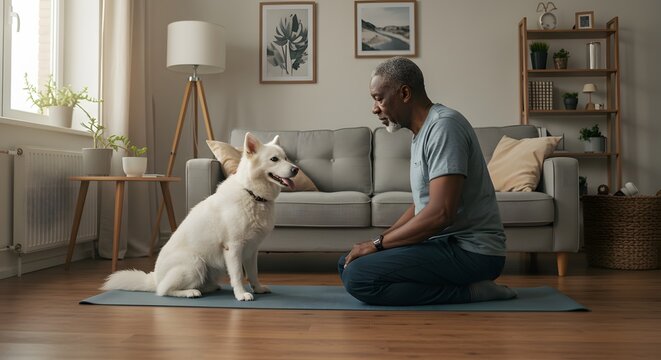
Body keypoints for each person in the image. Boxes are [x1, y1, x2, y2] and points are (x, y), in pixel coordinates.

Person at [337, 57, 516, 306]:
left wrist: (378, 245)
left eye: (379, 98)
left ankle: (472, 292)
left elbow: (441, 213)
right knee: (348, 263)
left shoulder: (444, 127)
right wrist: (380, 242)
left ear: (405, 93)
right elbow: (421, 205)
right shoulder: (421, 133)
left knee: (358, 277)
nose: (374, 108)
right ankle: (461, 285)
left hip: (474, 252)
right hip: (445, 244)